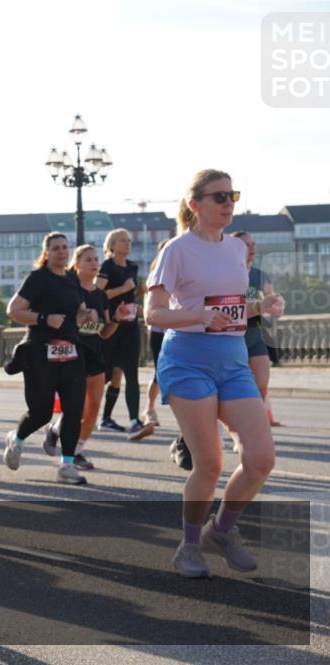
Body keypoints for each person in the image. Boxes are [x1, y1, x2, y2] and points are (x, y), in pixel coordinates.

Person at [146, 169, 283, 578]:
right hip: (188, 360)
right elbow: (153, 314)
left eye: (232, 195)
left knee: (261, 459)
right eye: (219, 196)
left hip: (233, 359)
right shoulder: (176, 249)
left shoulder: (236, 251)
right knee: (209, 464)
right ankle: (188, 546)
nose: (228, 203)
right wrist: (199, 315)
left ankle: (221, 530)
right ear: (195, 205)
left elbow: (232, 308)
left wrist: (262, 308)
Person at [4, 232, 96, 485]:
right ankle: (17, 439)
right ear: (46, 253)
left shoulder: (71, 279)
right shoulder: (37, 279)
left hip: (71, 352)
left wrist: (85, 314)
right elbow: (14, 311)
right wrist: (44, 319)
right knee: (42, 412)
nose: (62, 252)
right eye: (56, 248)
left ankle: (66, 466)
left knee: (74, 408)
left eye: (65, 248)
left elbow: (75, 312)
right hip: (40, 353)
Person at [43, 245, 121, 470]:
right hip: (71, 354)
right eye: (88, 260)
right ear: (76, 265)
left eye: (96, 259)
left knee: (94, 407)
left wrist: (117, 319)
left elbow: (104, 332)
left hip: (95, 354)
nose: (95, 263)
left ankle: (76, 450)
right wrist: (79, 318)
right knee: (75, 407)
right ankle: (58, 433)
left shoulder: (100, 295)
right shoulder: (68, 290)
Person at [97, 229, 155, 440]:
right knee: (105, 374)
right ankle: (82, 414)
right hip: (110, 326)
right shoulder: (107, 266)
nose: (127, 244)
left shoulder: (132, 267)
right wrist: (122, 289)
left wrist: (138, 293)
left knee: (130, 373)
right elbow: (97, 293)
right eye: (122, 240)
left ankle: (133, 421)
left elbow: (129, 294)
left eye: (129, 240)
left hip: (130, 325)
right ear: (112, 244)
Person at [230, 231, 280, 428]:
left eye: (253, 244)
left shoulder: (261, 275)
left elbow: (273, 301)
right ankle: (237, 426)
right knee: (234, 387)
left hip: (256, 333)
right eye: (246, 245)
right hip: (233, 335)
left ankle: (254, 427)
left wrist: (276, 306)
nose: (252, 248)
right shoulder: (226, 273)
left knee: (261, 383)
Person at [143, 239, 171, 427]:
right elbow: (150, 309)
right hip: (160, 330)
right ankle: (150, 408)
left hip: (179, 329)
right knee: (159, 372)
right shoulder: (155, 275)